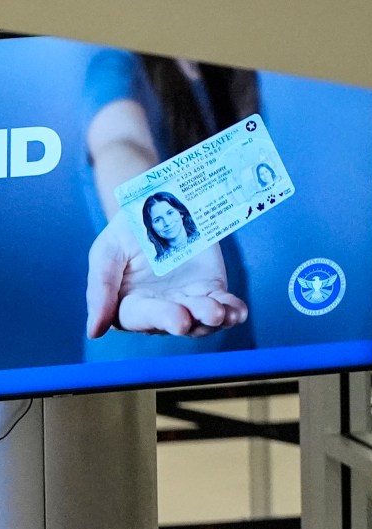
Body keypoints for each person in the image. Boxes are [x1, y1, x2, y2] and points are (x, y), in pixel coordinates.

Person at [85, 53, 252, 342]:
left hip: (226, 315)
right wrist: (141, 219)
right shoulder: (114, 66)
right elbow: (121, 142)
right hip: (149, 339)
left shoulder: (222, 74)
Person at [141, 192, 198, 259]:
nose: (167, 223)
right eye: (157, 220)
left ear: (181, 213)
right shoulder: (158, 262)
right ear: (152, 228)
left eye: (170, 213)